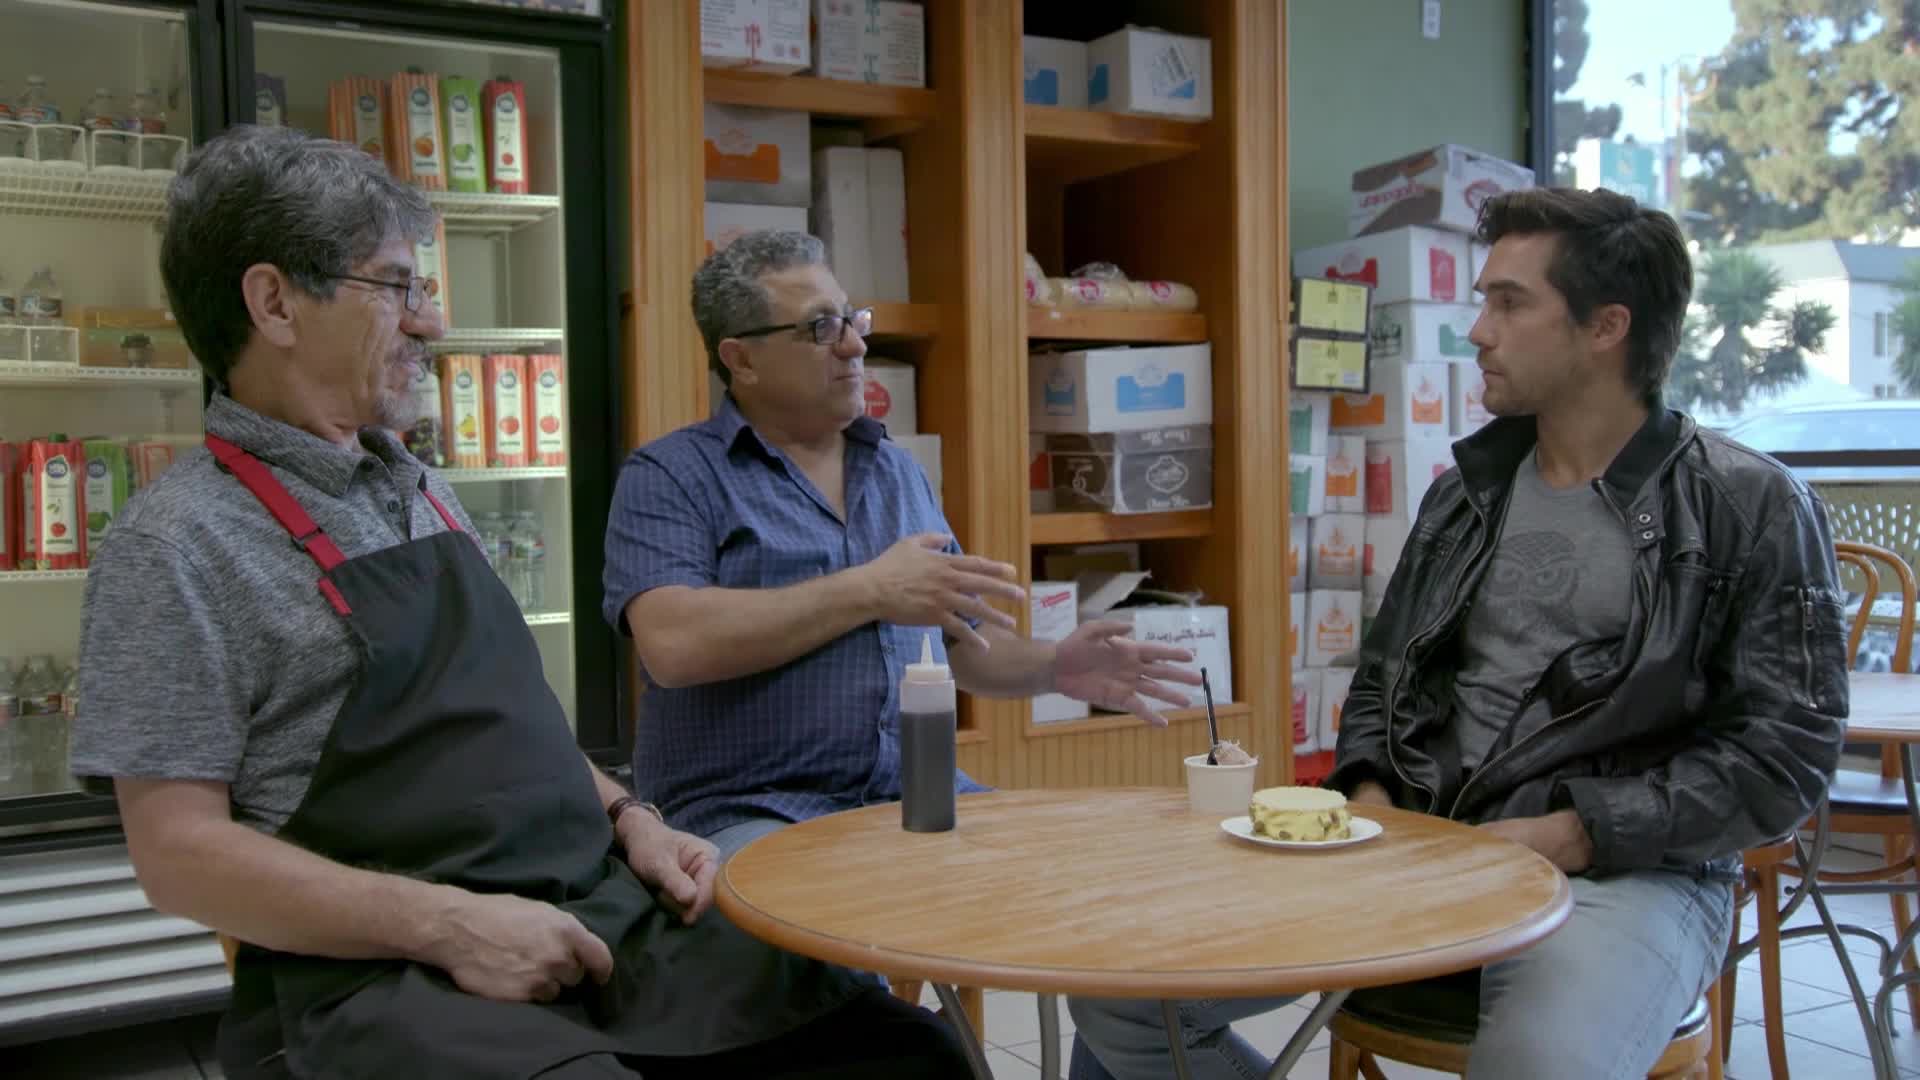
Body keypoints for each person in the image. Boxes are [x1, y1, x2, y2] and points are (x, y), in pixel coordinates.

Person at [69, 126, 971, 1080]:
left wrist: (633, 821)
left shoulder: (419, 488)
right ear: (274, 301)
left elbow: (503, 731)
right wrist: (449, 926)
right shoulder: (178, 544)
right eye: (397, 287)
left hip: (595, 910)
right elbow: (177, 855)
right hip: (383, 978)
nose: (429, 323)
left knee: (899, 1049)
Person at [1068, 188, 1850, 1079]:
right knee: (1123, 989)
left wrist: (1570, 834)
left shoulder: (1751, 506)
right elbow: (1382, 678)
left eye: (1509, 303)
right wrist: (1368, 803)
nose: (1477, 329)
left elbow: (1785, 756)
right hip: (1425, 843)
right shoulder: (1465, 490)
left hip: (1625, 874)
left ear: (1606, 328)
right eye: (1481, 298)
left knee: (1539, 1067)